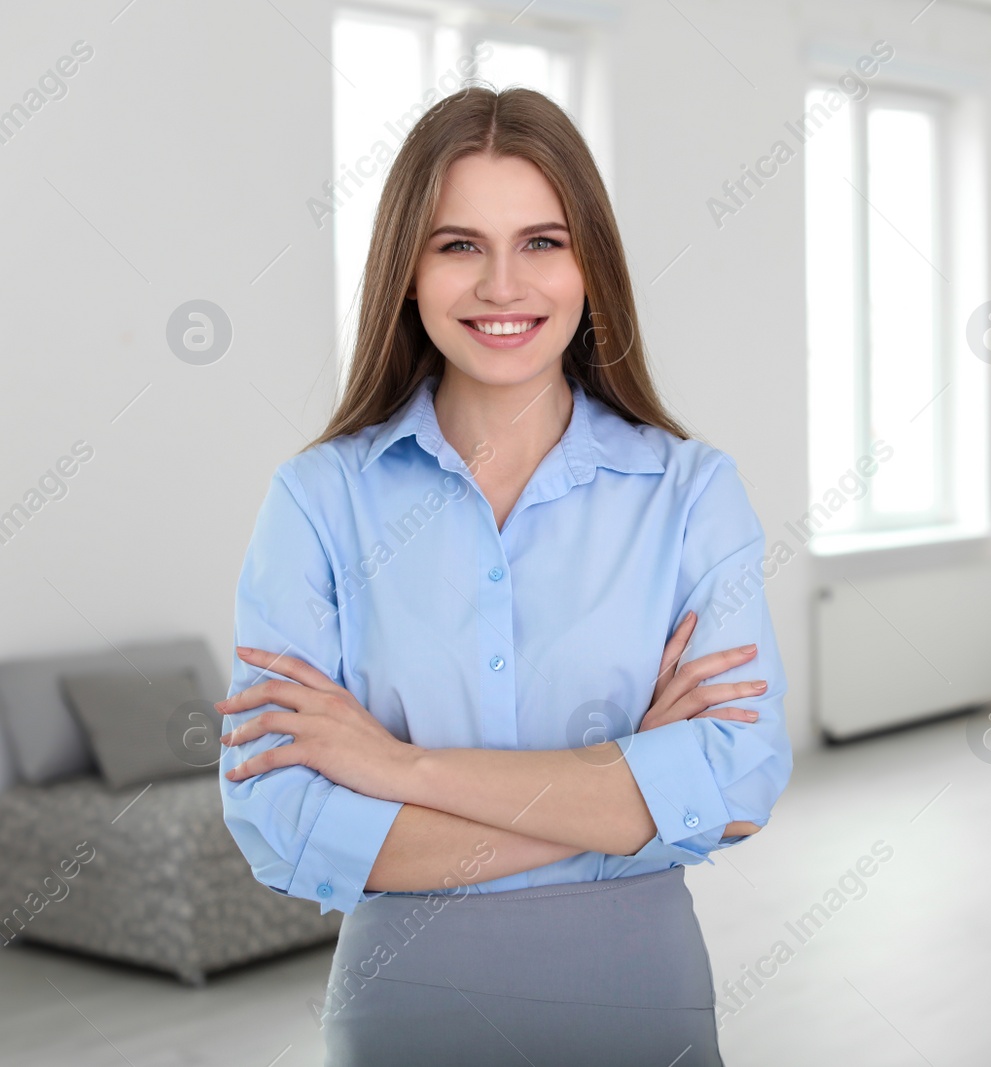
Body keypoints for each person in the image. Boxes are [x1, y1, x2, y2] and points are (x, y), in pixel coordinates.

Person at [215, 86, 790, 1066]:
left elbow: (735, 782)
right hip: (404, 1012)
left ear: (590, 266)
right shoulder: (317, 500)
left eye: (541, 241)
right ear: (407, 270)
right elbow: (283, 820)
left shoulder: (690, 492)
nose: (500, 284)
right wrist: (630, 790)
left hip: (640, 1005)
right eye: (456, 245)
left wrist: (402, 770)